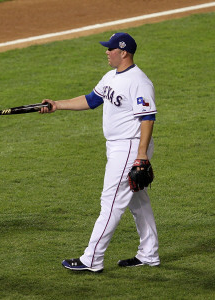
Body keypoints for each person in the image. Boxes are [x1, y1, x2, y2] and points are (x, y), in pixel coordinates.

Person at [40, 32, 160, 272]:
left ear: (123, 52)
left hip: (130, 146)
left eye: (110, 49)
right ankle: (149, 254)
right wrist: (57, 105)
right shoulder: (110, 76)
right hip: (117, 146)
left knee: (111, 201)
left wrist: (142, 154)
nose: (106, 52)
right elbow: (92, 100)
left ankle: (91, 259)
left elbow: (147, 118)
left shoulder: (139, 81)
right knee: (138, 201)